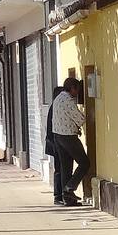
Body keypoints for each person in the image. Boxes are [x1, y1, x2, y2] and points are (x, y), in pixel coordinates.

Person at [50, 76, 88, 205]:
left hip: (58, 136)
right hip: (68, 137)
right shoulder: (68, 101)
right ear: (72, 88)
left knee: (66, 167)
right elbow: (80, 119)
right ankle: (70, 187)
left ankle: (67, 198)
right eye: (77, 89)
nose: (78, 93)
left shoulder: (58, 98)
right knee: (84, 163)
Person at [44, 85, 75, 206]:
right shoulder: (57, 107)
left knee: (61, 169)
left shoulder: (55, 107)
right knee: (61, 169)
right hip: (56, 142)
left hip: (55, 142)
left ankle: (61, 195)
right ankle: (59, 195)